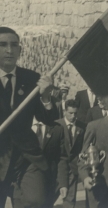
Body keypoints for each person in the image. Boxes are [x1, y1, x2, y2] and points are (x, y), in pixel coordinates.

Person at [0, 27, 58, 207]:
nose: (9, 50)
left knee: (35, 201)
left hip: (26, 157)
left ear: (20, 49)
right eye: (2, 45)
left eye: (14, 45)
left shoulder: (32, 78)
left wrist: (46, 97)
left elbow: (48, 119)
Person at [31, 118, 69, 208]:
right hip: (25, 185)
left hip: (48, 184)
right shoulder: (21, 126)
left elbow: (62, 157)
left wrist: (63, 183)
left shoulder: (57, 129)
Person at [56, 99, 86, 208]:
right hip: (57, 168)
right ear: (64, 112)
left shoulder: (82, 127)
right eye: (70, 113)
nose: (73, 116)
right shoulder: (56, 125)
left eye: (75, 113)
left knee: (70, 199)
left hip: (73, 168)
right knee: (48, 198)